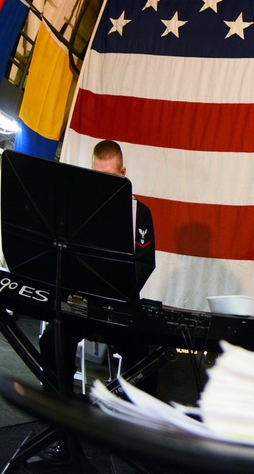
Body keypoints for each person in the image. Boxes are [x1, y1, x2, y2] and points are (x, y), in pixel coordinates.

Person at [39, 140, 156, 397]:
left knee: (146, 358)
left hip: (119, 306)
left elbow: (144, 263)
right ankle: (59, 411)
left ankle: (131, 425)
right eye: (97, 176)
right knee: (53, 340)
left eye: (110, 177)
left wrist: (118, 291)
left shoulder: (139, 212)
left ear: (123, 173)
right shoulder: (75, 209)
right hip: (79, 302)